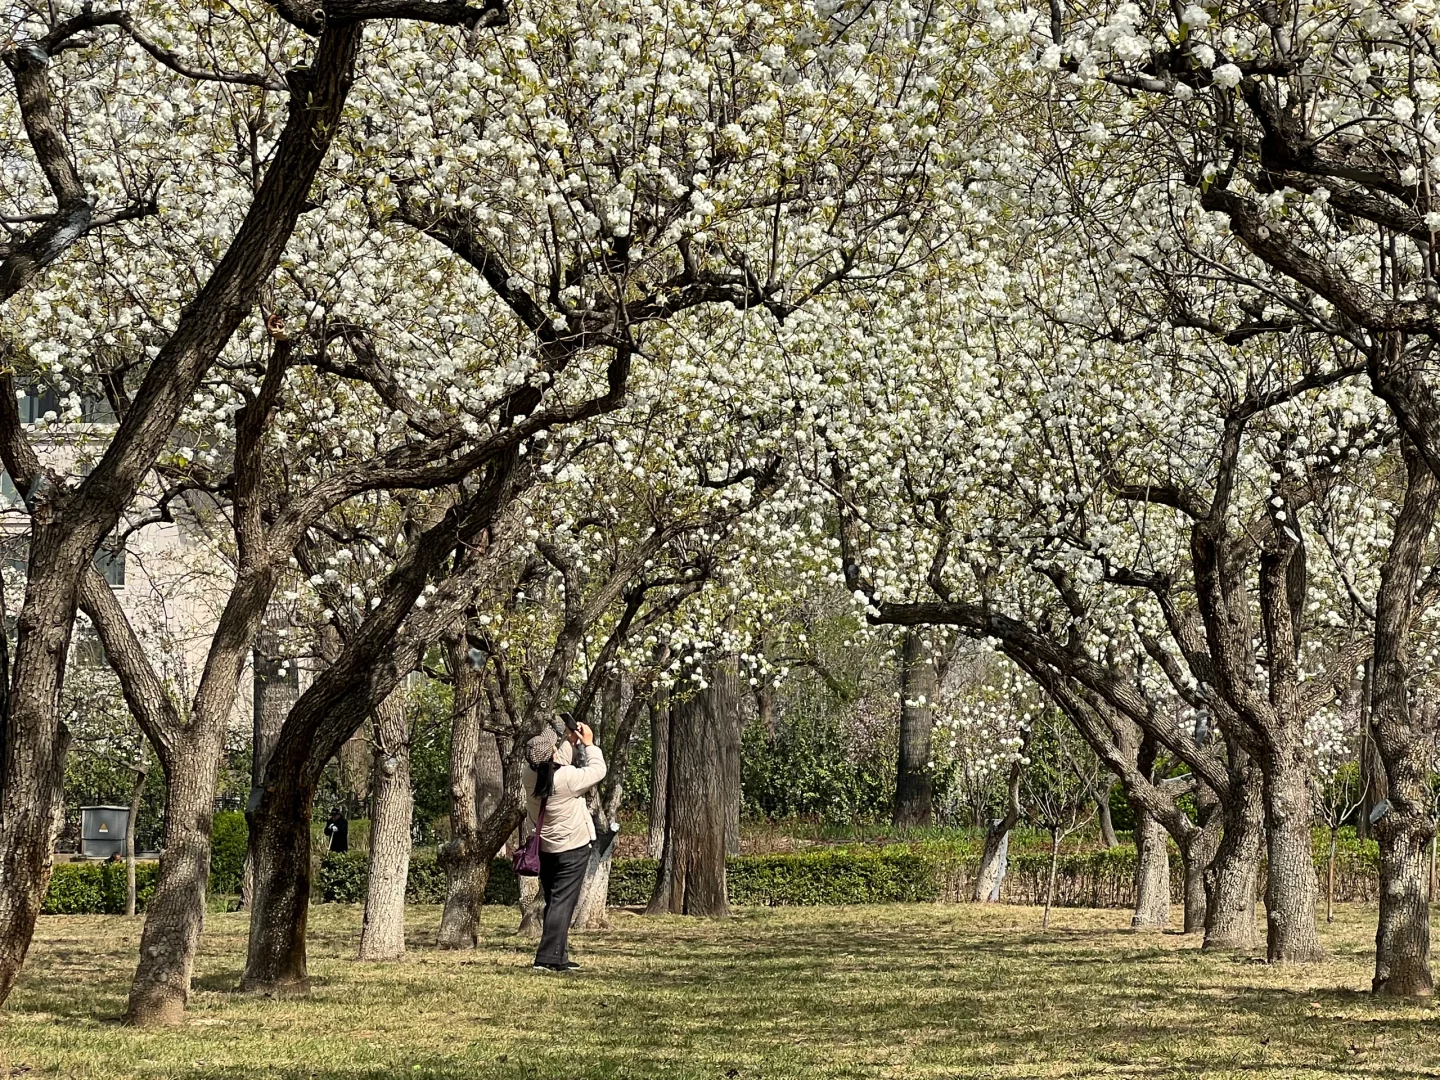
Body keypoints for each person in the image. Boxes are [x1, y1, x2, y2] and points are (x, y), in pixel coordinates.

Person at [523, 720, 606, 972]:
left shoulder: (530, 775)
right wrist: (589, 744)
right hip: (572, 847)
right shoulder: (567, 779)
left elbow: (557, 762)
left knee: (554, 900)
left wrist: (570, 740)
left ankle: (559, 957)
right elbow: (598, 771)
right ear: (552, 755)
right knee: (562, 903)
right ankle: (546, 958)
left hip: (546, 848)